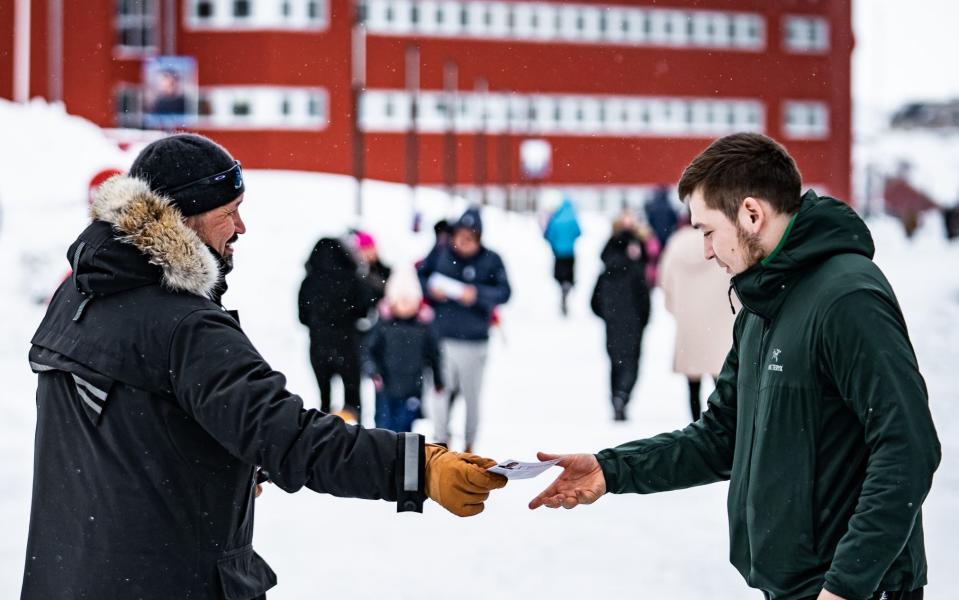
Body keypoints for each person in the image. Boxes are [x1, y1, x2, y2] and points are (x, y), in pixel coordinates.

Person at [22, 133, 507, 599]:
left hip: (71, 574)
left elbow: (126, 431)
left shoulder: (78, 295)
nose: (241, 228)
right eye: (228, 213)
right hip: (167, 580)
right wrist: (417, 466)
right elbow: (288, 436)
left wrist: (216, 466)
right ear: (181, 220)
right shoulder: (185, 325)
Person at [530, 133, 940, 600]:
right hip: (793, 585)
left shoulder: (847, 298)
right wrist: (612, 469)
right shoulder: (762, 305)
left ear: (751, 214)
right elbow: (720, 436)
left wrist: (847, 585)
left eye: (707, 230)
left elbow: (907, 447)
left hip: (856, 589)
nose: (705, 250)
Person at [417, 207, 511, 452]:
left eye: (470, 238)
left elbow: (504, 292)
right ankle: (440, 440)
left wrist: (478, 294)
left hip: (475, 340)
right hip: (442, 338)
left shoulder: (491, 259)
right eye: (460, 236)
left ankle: (470, 443)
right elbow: (421, 275)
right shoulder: (441, 254)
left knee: (471, 396)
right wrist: (430, 289)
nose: (463, 243)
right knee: (439, 392)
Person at [658, 218, 737, 421]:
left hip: (689, 321)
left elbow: (665, 281)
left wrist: (677, 309)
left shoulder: (676, 243)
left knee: (692, 382)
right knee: (720, 377)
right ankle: (720, 423)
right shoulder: (721, 240)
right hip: (720, 320)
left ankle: (695, 421)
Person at [298, 236, 371, 423]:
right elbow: (364, 310)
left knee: (324, 400)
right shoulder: (352, 279)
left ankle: (325, 440)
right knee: (353, 399)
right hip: (348, 345)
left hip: (319, 346)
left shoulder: (309, 282)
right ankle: (356, 440)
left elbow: (302, 317)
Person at [590, 212, 651, 421]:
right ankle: (623, 395)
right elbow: (644, 298)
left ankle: (617, 395)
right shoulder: (635, 267)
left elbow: (594, 302)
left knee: (616, 362)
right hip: (633, 321)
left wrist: (608, 314)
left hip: (614, 322)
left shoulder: (606, 269)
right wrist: (643, 318)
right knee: (631, 362)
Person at [366, 267, 442, 433]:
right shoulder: (383, 326)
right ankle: (382, 457)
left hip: (412, 387)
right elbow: (370, 351)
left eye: (410, 300)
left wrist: (438, 380)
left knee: (405, 428)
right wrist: (373, 371)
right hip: (386, 386)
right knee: (384, 427)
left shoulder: (423, 327)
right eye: (401, 300)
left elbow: (434, 354)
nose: (406, 305)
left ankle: (402, 457)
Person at [543, 195, 582, 316]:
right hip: (570, 252)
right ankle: (567, 285)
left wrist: (554, 243)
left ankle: (562, 285)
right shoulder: (573, 218)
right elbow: (578, 232)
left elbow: (549, 234)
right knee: (569, 272)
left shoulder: (556, 217)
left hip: (558, 252)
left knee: (559, 272)